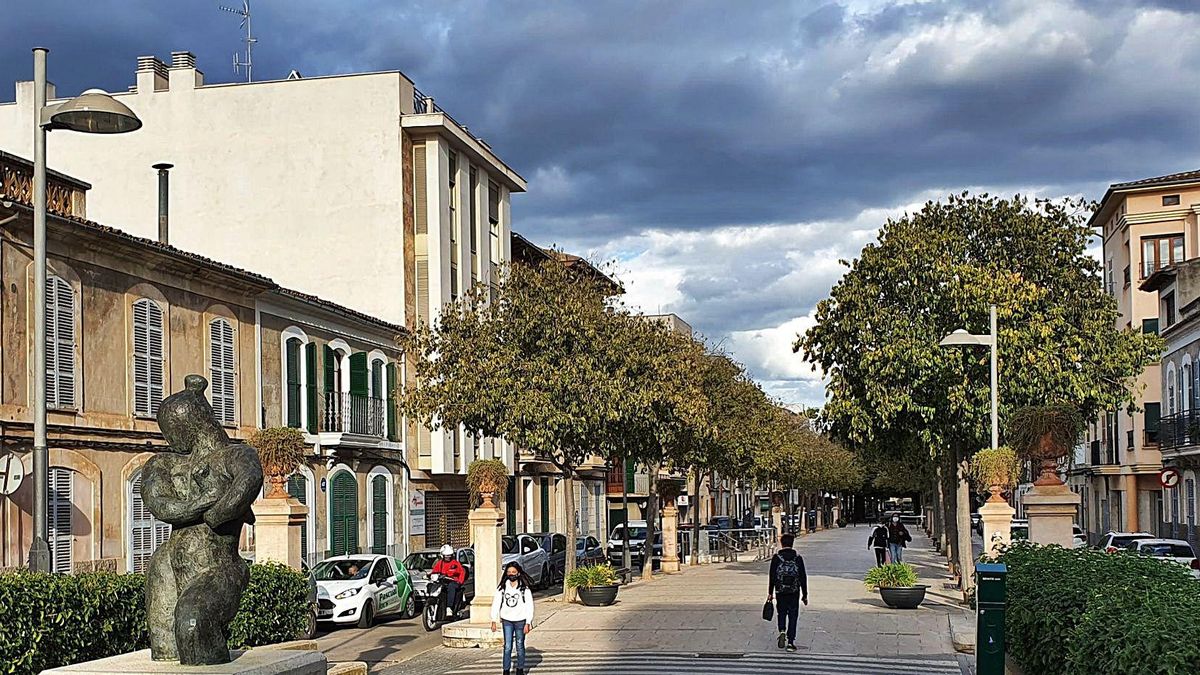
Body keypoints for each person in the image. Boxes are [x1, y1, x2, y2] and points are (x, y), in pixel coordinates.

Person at [767, 533, 808, 653]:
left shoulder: (776, 558)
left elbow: (772, 576)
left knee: (782, 612)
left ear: (781, 543)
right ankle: (790, 642)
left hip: (780, 590)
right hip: (794, 591)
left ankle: (782, 630)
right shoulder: (798, 558)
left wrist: (770, 592)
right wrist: (805, 595)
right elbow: (803, 577)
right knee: (793, 615)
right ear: (792, 543)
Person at [491, 562, 535, 675]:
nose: (511, 574)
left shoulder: (524, 589)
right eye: (509, 572)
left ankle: (519, 669)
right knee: (507, 646)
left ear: (518, 573)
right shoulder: (502, 588)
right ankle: (506, 670)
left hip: (521, 620)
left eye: (514, 572)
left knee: (520, 645)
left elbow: (530, 606)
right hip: (507, 620)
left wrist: (528, 622)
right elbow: (496, 603)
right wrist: (493, 619)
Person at [431, 544, 466, 617]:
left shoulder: (455, 563)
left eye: (449, 555)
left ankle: (449, 607)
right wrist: (428, 575)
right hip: (443, 582)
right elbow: (434, 571)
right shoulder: (440, 563)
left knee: (451, 587)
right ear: (442, 555)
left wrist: (460, 581)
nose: (448, 557)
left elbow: (462, 572)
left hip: (453, 582)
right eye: (446, 555)